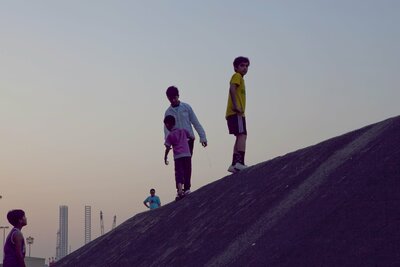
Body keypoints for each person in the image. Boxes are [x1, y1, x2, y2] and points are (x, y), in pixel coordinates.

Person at [164, 86, 207, 158]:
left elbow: (195, 122)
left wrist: (203, 137)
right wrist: (167, 143)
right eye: (171, 99)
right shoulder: (168, 112)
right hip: (176, 141)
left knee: (187, 161)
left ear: (178, 96)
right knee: (179, 161)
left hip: (189, 139)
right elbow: (166, 129)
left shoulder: (186, 107)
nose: (173, 100)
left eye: (174, 98)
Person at [226, 56, 250, 173]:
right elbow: (232, 89)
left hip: (233, 113)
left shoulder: (241, 79)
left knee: (239, 136)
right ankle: (240, 162)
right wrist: (236, 106)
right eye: (242, 65)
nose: (245, 68)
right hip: (236, 112)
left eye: (246, 66)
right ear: (236, 67)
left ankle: (234, 164)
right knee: (242, 135)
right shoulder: (237, 76)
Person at [164, 115, 192, 200]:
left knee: (179, 173)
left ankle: (180, 190)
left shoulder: (170, 136)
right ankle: (187, 189)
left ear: (168, 125)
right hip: (187, 154)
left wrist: (165, 157)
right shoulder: (183, 131)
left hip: (178, 157)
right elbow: (191, 137)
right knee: (187, 171)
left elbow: (168, 148)